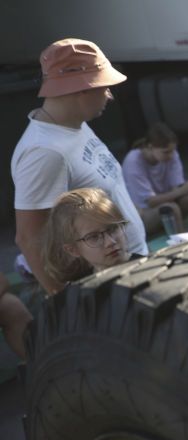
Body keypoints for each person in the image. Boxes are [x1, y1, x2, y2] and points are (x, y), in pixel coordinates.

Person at [12, 38, 148, 292]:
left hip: (128, 266)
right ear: (81, 88)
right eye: (104, 87)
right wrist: (64, 303)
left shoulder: (75, 125)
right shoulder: (44, 153)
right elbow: (29, 238)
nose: (109, 95)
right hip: (106, 284)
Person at [122, 122, 188, 235]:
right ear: (150, 147)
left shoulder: (172, 154)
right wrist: (182, 190)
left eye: (172, 151)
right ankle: (183, 244)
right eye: (166, 152)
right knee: (170, 209)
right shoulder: (133, 162)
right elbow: (150, 202)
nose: (171, 155)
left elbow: (177, 187)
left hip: (168, 201)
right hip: (144, 215)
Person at [42, 188, 137, 294]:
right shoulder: (79, 295)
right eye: (94, 237)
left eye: (113, 228)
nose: (110, 242)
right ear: (73, 250)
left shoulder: (150, 268)